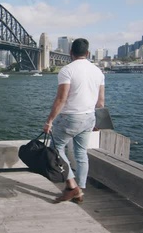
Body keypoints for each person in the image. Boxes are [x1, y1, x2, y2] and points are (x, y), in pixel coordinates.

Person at [43, 38, 105, 203]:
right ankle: (80, 190)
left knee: (56, 150)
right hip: (89, 118)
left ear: (70, 53)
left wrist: (49, 120)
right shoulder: (98, 72)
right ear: (88, 53)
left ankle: (72, 187)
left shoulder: (67, 70)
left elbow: (61, 99)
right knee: (81, 153)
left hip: (69, 118)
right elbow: (101, 102)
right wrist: (98, 123)